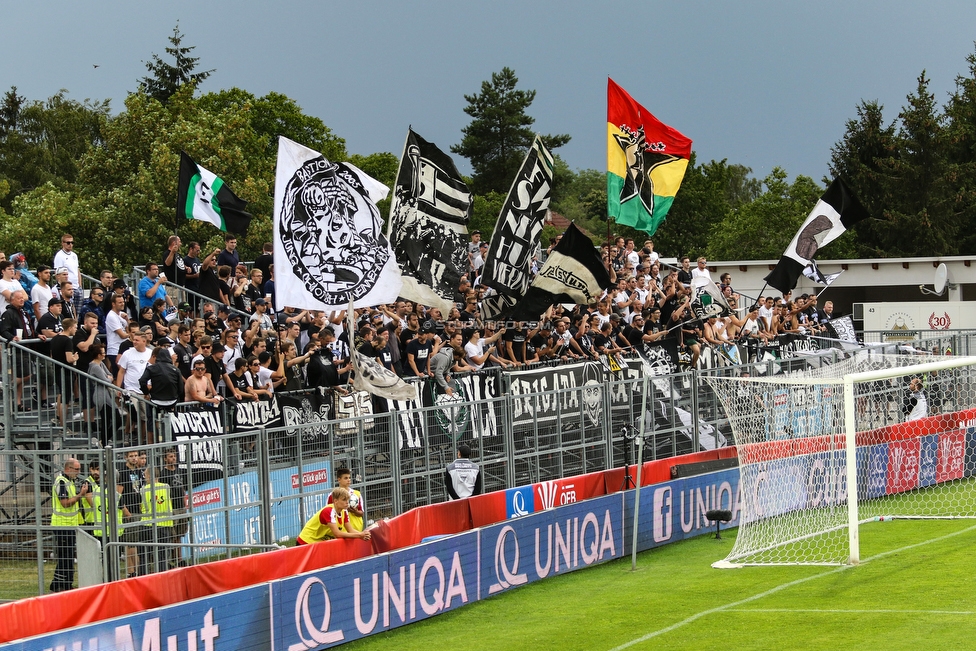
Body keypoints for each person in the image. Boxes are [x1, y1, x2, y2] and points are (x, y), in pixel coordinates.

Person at [50, 458, 88, 592]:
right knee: (65, 556)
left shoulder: (69, 481)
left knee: (68, 556)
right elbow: (65, 503)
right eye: (76, 469)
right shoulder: (61, 482)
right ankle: (59, 584)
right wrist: (81, 495)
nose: (79, 472)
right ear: (68, 469)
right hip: (62, 525)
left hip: (69, 524)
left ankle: (63, 584)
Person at [295, 487, 371, 545]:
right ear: (335, 501)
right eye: (344, 500)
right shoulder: (328, 511)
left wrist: (363, 534)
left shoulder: (344, 511)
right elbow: (337, 534)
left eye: (348, 500)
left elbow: (350, 530)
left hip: (318, 542)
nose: (347, 503)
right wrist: (360, 535)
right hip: (306, 541)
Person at [326, 468, 365, 532]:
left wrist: (355, 511)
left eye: (349, 478)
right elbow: (329, 513)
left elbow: (361, 513)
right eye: (346, 478)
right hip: (342, 531)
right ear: (339, 479)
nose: (349, 480)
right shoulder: (332, 495)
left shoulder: (356, 494)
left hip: (356, 529)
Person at [53, 234, 82, 316]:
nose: (70, 245)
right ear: (63, 243)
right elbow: (58, 273)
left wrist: (80, 286)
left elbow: (77, 270)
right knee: (70, 310)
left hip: (76, 287)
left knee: (77, 312)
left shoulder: (74, 255)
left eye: (72, 243)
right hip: (68, 287)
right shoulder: (59, 256)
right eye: (68, 243)